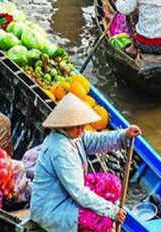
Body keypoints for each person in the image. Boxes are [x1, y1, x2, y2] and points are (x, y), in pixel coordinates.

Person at [29, 93, 142, 232]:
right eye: (77, 127)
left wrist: (123, 135)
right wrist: (111, 211)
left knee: (111, 183)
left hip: (68, 192)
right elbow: (79, 192)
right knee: (100, 221)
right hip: (52, 207)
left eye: (82, 126)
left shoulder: (74, 136)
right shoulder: (60, 150)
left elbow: (96, 141)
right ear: (65, 126)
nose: (81, 130)